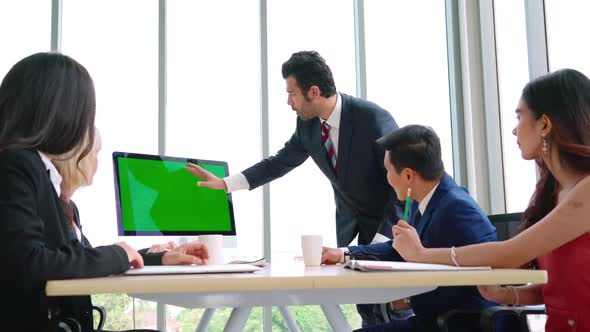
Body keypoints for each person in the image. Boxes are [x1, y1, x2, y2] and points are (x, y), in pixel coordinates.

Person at [185, 50, 401, 325]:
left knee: (391, 310)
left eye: (292, 94)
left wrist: (381, 245)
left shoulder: (372, 118)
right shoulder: (308, 126)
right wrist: (226, 184)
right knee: (367, 310)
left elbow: (401, 186)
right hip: (352, 228)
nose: (289, 102)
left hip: (388, 229)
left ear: (313, 92)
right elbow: (279, 163)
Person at [0, 52, 208, 331]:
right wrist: (118, 254)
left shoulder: (37, 169)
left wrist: (152, 257)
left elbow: (71, 258)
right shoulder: (17, 164)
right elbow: (27, 263)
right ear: (63, 112)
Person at [392, 69, 590, 332]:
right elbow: (562, 288)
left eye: (519, 117)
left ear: (544, 124)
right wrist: (508, 296)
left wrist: (421, 255)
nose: (513, 130)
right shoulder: (554, 194)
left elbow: (510, 253)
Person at [322, 125, 501, 332]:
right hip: (435, 320)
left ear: (408, 175)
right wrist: (344, 253)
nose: (386, 178)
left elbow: (484, 278)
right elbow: (399, 248)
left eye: (388, 170)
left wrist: (410, 299)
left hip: (456, 325)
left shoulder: (458, 208)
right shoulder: (425, 200)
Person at [52, 128, 200, 265]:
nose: (97, 161)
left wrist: (152, 255)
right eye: (95, 153)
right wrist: (125, 252)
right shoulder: (52, 207)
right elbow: (85, 263)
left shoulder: (70, 207)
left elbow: (90, 259)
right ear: (77, 159)